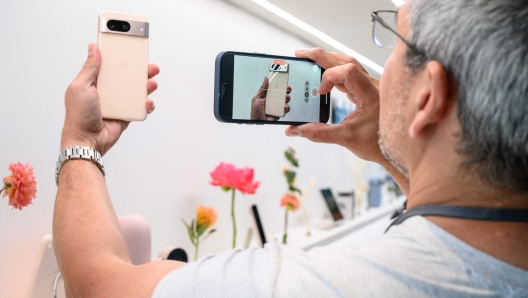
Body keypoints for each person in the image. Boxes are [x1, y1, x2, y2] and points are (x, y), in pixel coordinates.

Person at [53, 0, 528, 297]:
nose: (384, 65)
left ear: (428, 97)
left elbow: (97, 285)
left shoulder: (308, 286)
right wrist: (388, 147)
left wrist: (80, 142)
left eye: (397, 41)